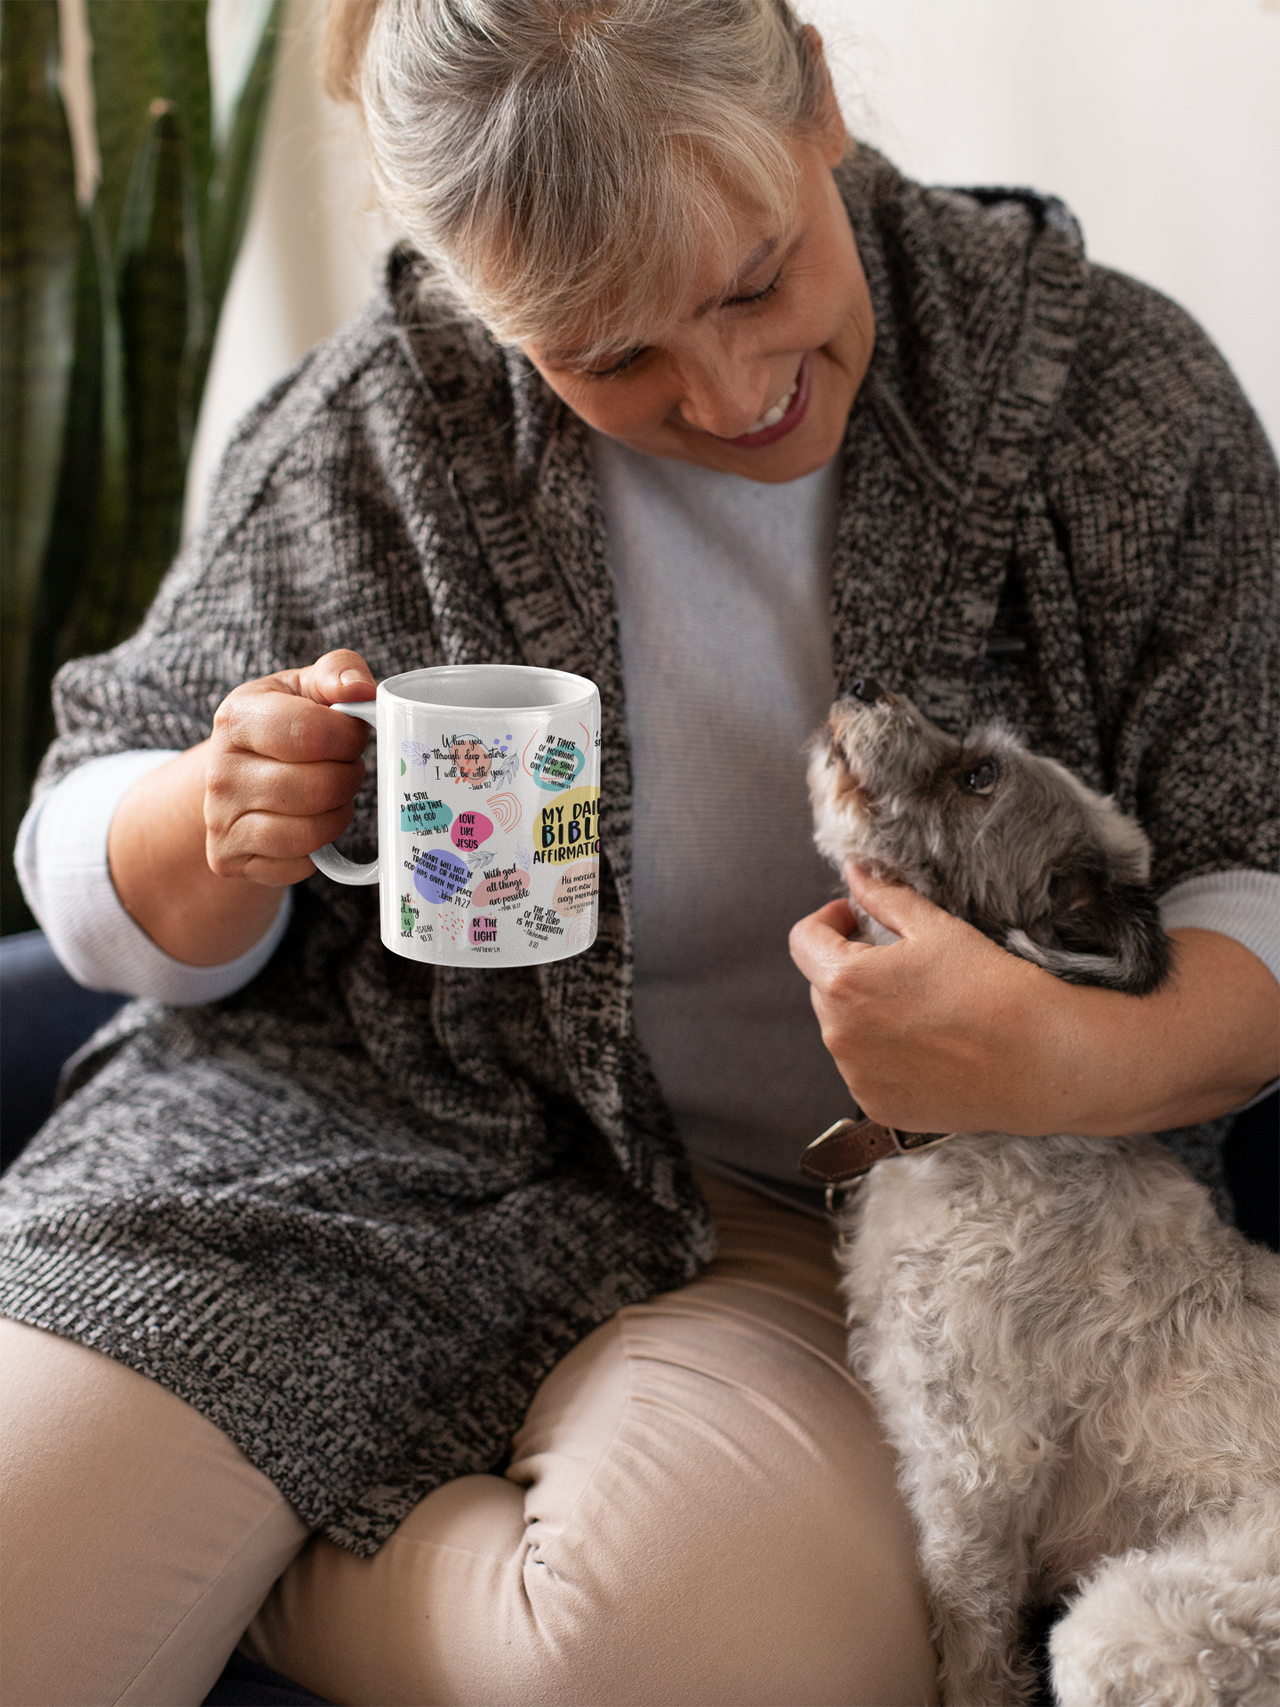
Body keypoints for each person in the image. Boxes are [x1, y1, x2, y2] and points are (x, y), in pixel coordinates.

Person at [4, 0, 1280, 1702]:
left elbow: (1252, 857)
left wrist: (1069, 1058)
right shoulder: (373, 437)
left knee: (721, 1657)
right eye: (608, 355)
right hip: (326, 1146)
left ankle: (257, 1543)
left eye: (756, 281)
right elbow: (86, 844)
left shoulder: (1108, 402)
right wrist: (212, 824)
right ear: (481, 301)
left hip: (803, 1225)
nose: (736, 389)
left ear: (817, 94)